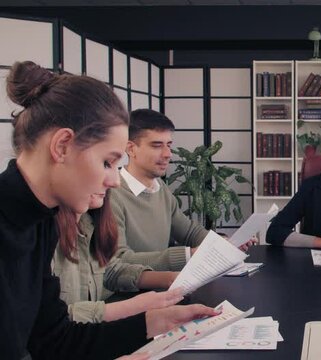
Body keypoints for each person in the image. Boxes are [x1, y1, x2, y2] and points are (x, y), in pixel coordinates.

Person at [0, 61, 217, 360]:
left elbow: (54, 340)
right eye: (107, 162)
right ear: (62, 146)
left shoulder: (41, 223)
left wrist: (154, 322)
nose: (114, 180)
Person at [110, 109, 252, 272]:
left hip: (163, 288)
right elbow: (120, 260)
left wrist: (226, 244)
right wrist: (188, 255)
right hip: (129, 294)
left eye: (169, 145)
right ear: (131, 149)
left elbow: (190, 232)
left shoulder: (159, 188)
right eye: (157, 146)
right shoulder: (112, 194)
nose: (168, 154)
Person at [53, 192, 183, 323]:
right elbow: (46, 320)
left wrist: (168, 278)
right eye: (106, 169)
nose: (115, 181)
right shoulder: (43, 233)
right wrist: (131, 307)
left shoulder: (89, 220)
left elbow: (108, 270)